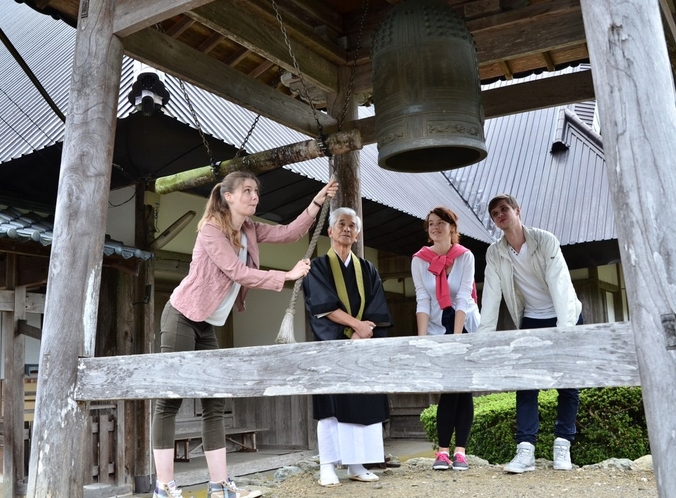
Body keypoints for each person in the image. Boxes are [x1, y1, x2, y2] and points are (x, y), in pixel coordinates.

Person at [152, 171, 338, 498]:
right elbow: (237, 272)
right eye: (247, 191)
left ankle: (219, 486)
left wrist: (316, 202)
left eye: (256, 191)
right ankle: (164, 486)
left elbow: (288, 233)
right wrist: (288, 276)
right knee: (170, 399)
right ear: (228, 196)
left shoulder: (249, 228)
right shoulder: (211, 230)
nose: (254, 196)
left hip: (207, 324)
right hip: (181, 316)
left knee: (214, 402)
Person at [478, 193, 582, 474]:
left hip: (565, 315)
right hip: (532, 320)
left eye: (504, 209)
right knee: (525, 386)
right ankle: (525, 451)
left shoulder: (545, 240)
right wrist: (482, 339)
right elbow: (491, 295)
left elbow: (560, 283)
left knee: (567, 384)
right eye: (494, 212)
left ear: (517, 210)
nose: (500, 214)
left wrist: (565, 332)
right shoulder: (495, 252)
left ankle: (563, 445)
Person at [302, 207, 393, 488]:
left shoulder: (368, 269)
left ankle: (356, 463)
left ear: (358, 234)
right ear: (329, 231)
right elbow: (323, 306)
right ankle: (327, 466)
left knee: (361, 404)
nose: (346, 229)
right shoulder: (316, 266)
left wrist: (363, 333)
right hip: (332, 347)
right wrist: (356, 327)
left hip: (361, 347)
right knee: (331, 407)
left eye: (352, 225)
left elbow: (378, 310)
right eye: (340, 224)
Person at [411, 207, 480, 472]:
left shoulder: (465, 257)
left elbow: (463, 296)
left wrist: (457, 339)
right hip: (438, 330)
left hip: (465, 327)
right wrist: (422, 341)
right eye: (431, 223)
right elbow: (422, 299)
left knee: (461, 389)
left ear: (453, 227)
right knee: (450, 388)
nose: (435, 227)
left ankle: (454, 451)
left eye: (441, 223)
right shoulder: (420, 260)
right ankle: (447, 451)